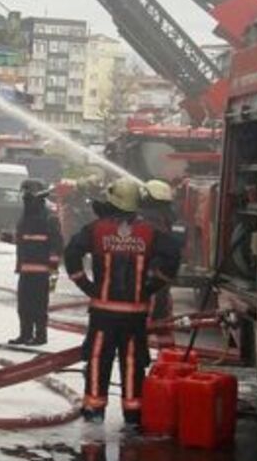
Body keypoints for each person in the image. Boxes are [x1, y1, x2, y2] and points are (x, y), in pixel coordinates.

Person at [64, 178, 181, 425]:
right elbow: (172, 254)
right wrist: (152, 286)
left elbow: (72, 251)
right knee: (132, 362)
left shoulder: (97, 229)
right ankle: (132, 412)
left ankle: (95, 410)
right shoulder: (149, 231)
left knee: (98, 359)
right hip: (135, 315)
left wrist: (86, 285)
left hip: (102, 314)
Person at [8, 179, 63, 346]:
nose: (25, 198)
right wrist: (7, 238)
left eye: (27, 194)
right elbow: (23, 240)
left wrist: (52, 268)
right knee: (24, 306)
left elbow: (57, 244)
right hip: (26, 270)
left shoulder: (49, 217)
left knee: (38, 306)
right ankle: (25, 334)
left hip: (41, 272)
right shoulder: (25, 218)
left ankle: (40, 336)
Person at [139, 180, 179, 339]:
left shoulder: (143, 218)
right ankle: (166, 350)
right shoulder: (169, 216)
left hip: (149, 270)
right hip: (162, 272)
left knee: (147, 312)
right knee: (162, 312)